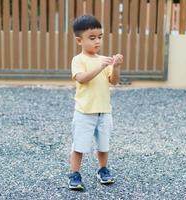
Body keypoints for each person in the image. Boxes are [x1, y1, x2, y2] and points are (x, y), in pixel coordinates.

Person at [68, 15, 123, 191]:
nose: (97, 41)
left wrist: (115, 67)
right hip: (84, 112)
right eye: (92, 38)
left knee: (103, 145)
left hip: (104, 111)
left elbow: (114, 81)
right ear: (79, 40)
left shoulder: (104, 60)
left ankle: (103, 169)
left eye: (100, 37)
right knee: (79, 146)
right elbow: (82, 79)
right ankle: (75, 173)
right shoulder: (78, 60)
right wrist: (99, 66)